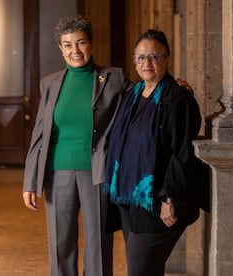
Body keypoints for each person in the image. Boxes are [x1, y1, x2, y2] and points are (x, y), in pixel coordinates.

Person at [22, 15, 132, 276]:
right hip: (57, 172)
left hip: (97, 173)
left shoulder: (114, 78)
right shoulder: (49, 84)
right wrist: (30, 180)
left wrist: (173, 86)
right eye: (68, 45)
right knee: (61, 243)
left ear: (90, 44)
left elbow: (142, 101)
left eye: (80, 43)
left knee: (99, 244)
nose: (75, 51)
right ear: (60, 49)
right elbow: (39, 133)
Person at [105, 29, 206, 276]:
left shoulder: (177, 98)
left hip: (157, 200)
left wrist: (168, 198)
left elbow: (181, 153)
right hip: (130, 201)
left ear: (167, 59)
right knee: (145, 269)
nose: (146, 63)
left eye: (154, 57)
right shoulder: (133, 95)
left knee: (141, 268)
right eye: (140, 57)